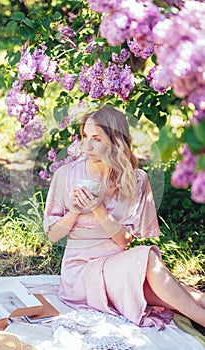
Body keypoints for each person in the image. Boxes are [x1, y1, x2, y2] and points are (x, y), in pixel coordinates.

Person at [43, 105, 205, 330]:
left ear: (115, 141)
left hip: (119, 267)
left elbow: (125, 242)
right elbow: (53, 235)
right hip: (81, 274)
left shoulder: (136, 180)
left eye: (97, 139)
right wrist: (75, 211)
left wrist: (98, 209)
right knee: (150, 262)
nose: (87, 146)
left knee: (185, 293)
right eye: (85, 136)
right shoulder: (66, 175)